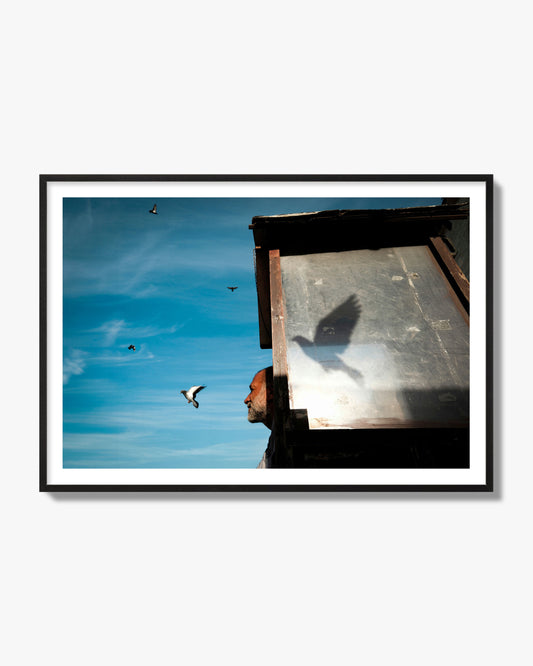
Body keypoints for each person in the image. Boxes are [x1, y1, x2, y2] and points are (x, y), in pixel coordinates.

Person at [244, 366, 274, 468]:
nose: (246, 399)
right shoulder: (275, 440)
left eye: (252, 390)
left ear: (270, 393)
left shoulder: (290, 439)